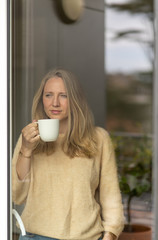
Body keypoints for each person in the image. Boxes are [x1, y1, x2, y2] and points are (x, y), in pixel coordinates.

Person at [12, 68, 124, 240]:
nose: (55, 103)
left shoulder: (98, 138)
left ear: (76, 100)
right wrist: (26, 150)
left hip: (87, 237)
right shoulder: (29, 137)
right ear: (42, 99)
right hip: (35, 236)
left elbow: (111, 196)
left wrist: (110, 235)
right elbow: (17, 195)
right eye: (48, 95)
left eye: (63, 95)